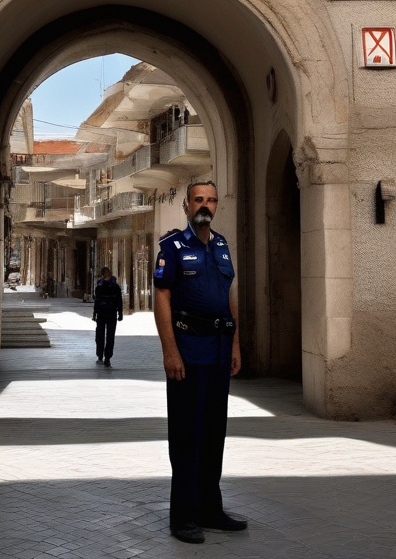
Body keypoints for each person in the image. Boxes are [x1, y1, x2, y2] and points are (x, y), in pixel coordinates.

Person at [153, 180, 247, 544]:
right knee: (186, 436)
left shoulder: (222, 246)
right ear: (187, 206)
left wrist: (236, 344)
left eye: (210, 200)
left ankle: (211, 508)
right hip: (188, 352)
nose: (204, 206)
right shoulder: (172, 247)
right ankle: (183, 517)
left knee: (213, 434)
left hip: (220, 351)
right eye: (198, 200)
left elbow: (229, 296)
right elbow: (161, 297)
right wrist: (170, 351)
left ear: (216, 205)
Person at [92, 266, 123, 367]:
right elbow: (97, 300)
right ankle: (100, 354)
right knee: (100, 335)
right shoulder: (100, 286)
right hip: (102, 313)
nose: (106, 275)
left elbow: (119, 300)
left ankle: (107, 357)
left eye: (107, 273)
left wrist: (120, 313)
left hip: (111, 313)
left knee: (110, 337)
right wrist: (94, 313)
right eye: (104, 273)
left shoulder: (114, 286)